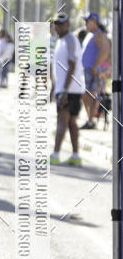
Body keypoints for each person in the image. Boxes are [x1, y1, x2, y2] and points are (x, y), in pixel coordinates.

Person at [50, 13, 84, 166]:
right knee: (71, 123)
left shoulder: (69, 39)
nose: (58, 26)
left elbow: (72, 65)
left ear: (67, 24)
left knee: (62, 121)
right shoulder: (61, 40)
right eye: (56, 23)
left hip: (69, 89)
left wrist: (64, 90)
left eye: (61, 24)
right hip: (68, 88)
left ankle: (55, 154)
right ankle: (76, 156)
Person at [80, 11, 110, 129]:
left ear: (94, 22)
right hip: (87, 69)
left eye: (88, 21)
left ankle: (91, 121)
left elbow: (105, 51)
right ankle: (90, 120)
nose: (86, 23)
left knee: (90, 95)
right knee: (87, 95)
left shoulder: (98, 34)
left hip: (92, 70)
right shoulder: (91, 34)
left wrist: (96, 66)